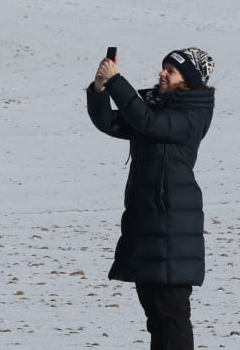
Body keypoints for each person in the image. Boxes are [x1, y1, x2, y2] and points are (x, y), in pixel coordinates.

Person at [87, 46, 216, 350]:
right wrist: (100, 88)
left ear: (188, 80)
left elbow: (146, 122)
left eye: (171, 70)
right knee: (157, 320)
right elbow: (109, 121)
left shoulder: (191, 115)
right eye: (163, 67)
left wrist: (118, 82)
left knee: (172, 320)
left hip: (173, 230)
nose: (162, 73)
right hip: (147, 229)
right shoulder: (154, 108)